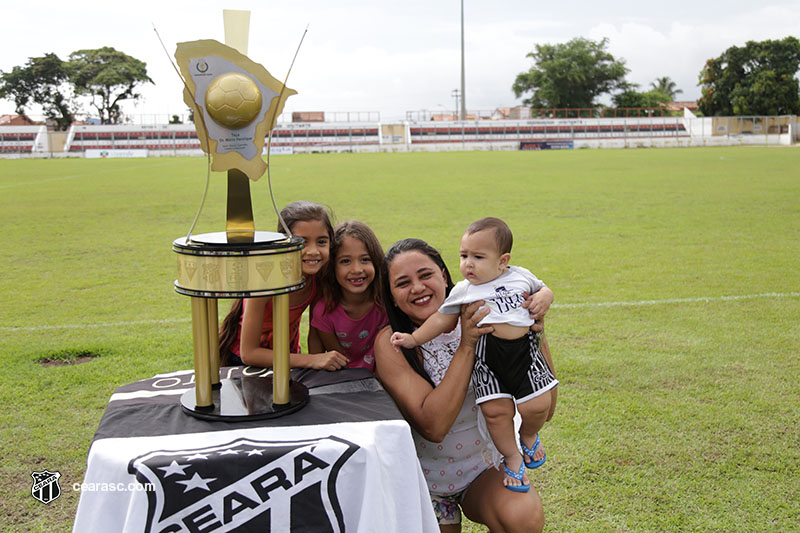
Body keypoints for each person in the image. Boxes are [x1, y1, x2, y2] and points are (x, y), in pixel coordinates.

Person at [374, 238, 554, 532]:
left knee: (523, 516)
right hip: (423, 482)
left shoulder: (488, 314)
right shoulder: (392, 342)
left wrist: (530, 334)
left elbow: (546, 409)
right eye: (403, 283)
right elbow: (434, 426)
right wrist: (467, 344)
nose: (417, 288)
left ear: (444, 276)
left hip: (484, 470)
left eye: (426, 275)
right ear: (392, 296)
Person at [218, 200, 349, 371]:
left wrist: (320, 361)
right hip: (247, 364)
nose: (313, 251)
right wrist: (311, 360)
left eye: (322, 242)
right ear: (283, 242)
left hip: (288, 357)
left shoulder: (316, 277)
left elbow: (315, 331)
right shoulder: (264, 281)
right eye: (302, 242)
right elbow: (249, 353)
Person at [308, 221, 387, 372]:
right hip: (346, 378)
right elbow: (340, 363)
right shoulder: (325, 311)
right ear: (332, 266)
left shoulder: (386, 301)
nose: (356, 269)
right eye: (345, 261)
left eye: (365, 259)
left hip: (387, 374)